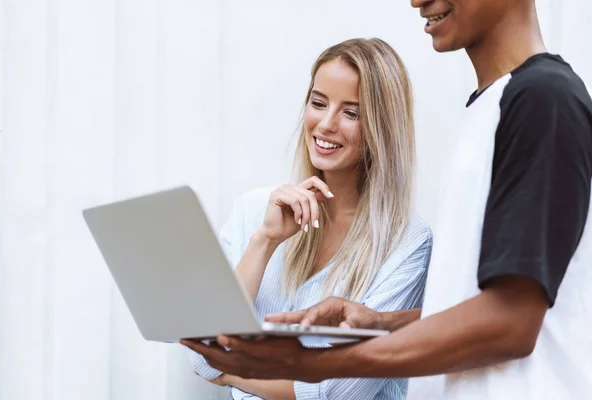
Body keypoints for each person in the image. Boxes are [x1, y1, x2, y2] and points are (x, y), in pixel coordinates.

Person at [182, 1, 592, 399]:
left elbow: (512, 323)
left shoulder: (543, 99)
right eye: (319, 102)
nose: (417, 1)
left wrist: (313, 365)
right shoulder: (491, 108)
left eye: (352, 112)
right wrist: (384, 322)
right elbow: (483, 304)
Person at [187, 38, 432, 400]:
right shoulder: (255, 211)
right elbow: (204, 356)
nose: (326, 124)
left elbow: (343, 393)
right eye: (318, 103)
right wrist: (265, 240)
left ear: (382, 128)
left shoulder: (408, 240)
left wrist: (231, 373)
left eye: (352, 113)